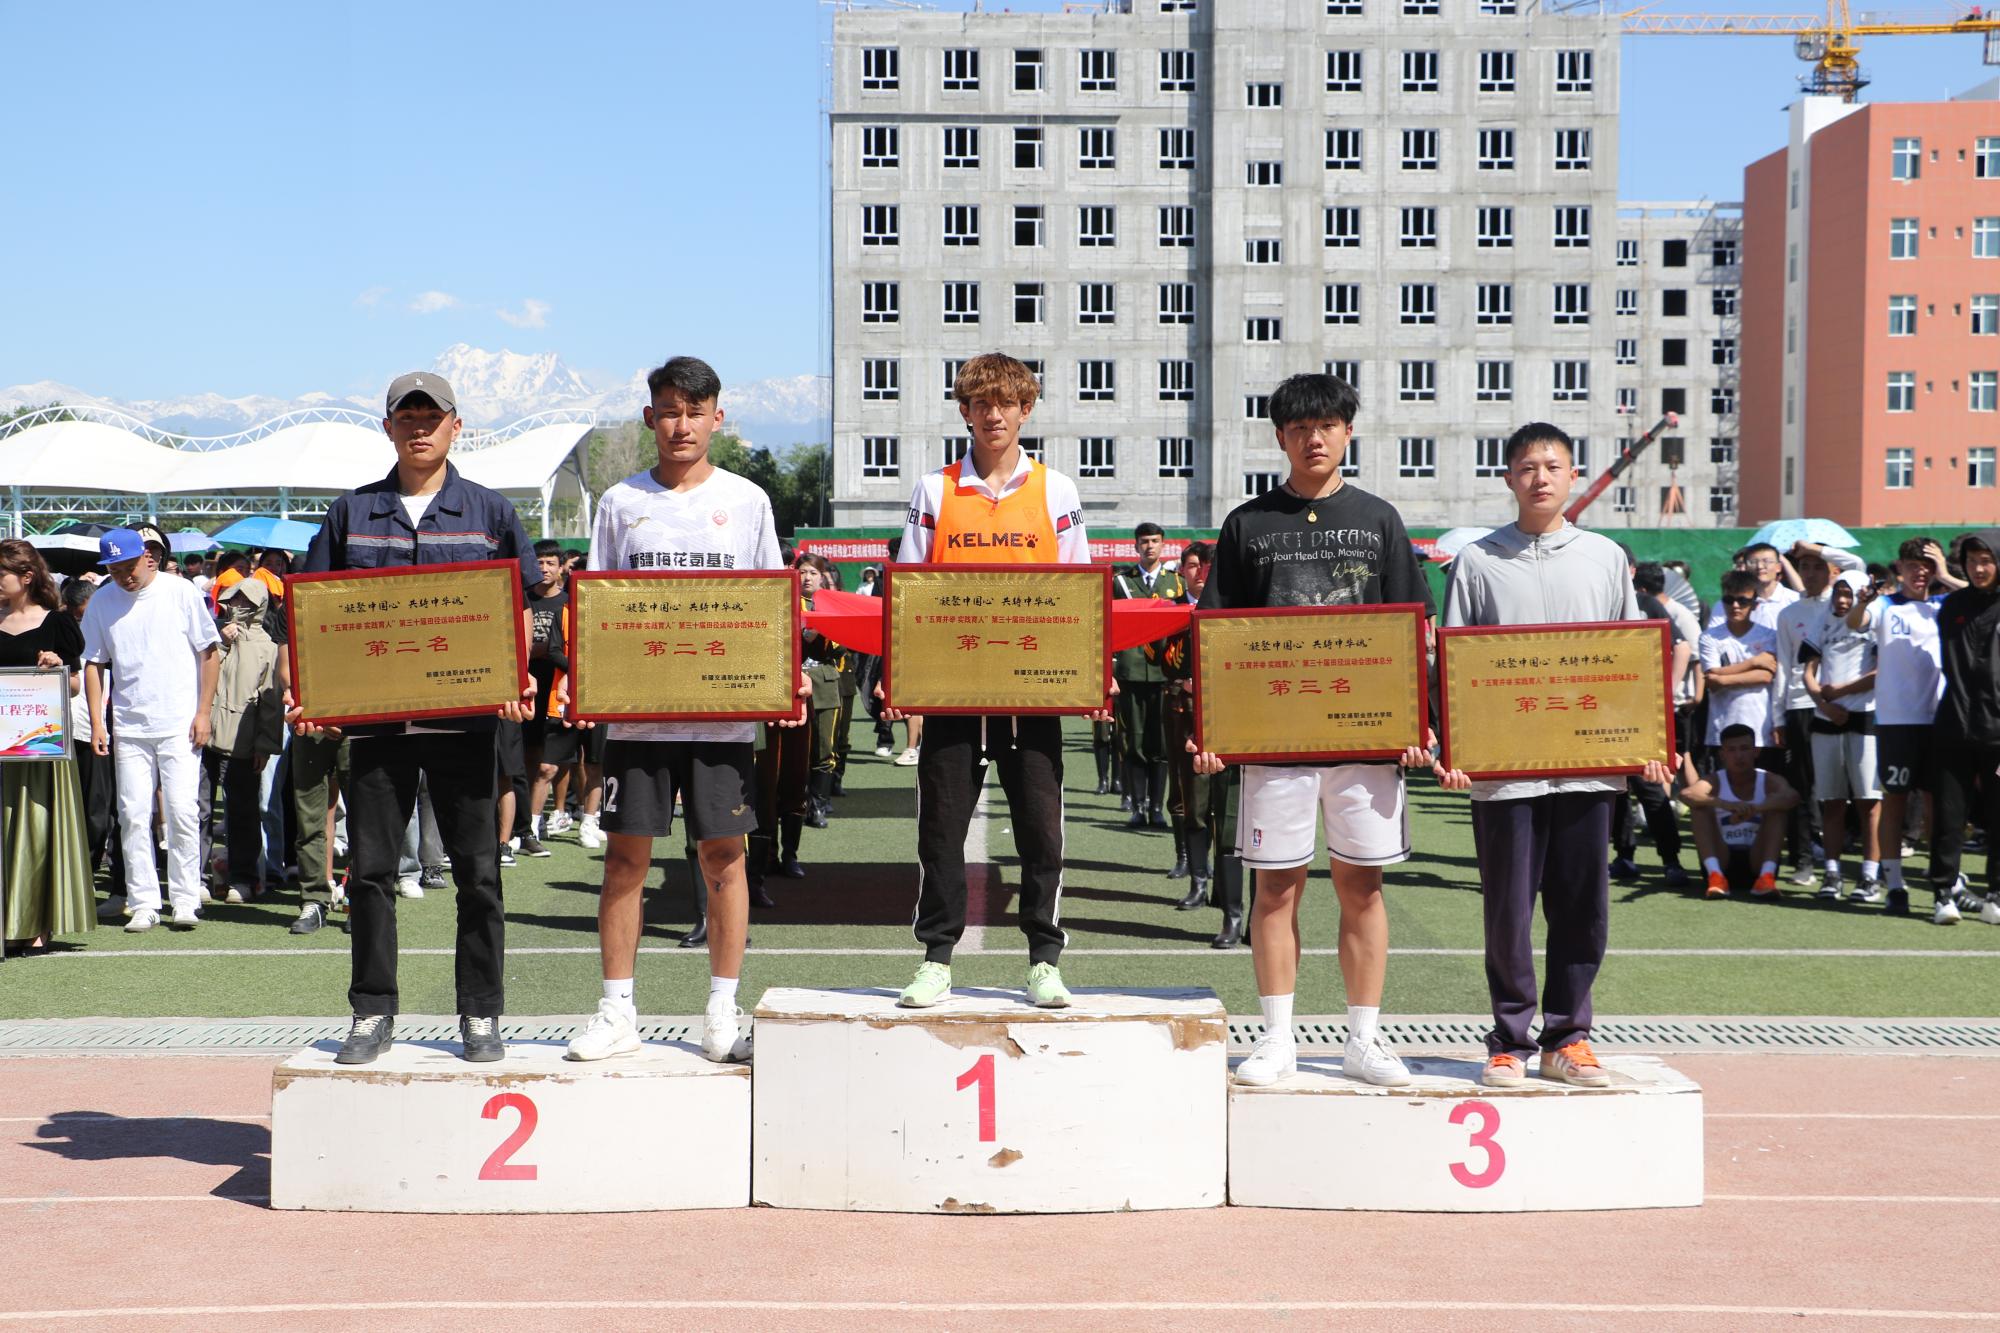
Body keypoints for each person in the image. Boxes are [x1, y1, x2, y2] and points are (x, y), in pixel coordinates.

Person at [1195, 372, 1435, 1089]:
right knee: (1275, 890)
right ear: (1280, 437)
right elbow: (1217, 636)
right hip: (1275, 744)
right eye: (1300, 428)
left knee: (1363, 889)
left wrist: (1414, 723)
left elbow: (1412, 630)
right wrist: (1214, 730)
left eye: (1327, 425)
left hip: (1365, 740)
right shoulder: (1248, 523)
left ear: (1348, 432)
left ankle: (1364, 1040)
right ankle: (1277, 1039)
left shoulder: (1379, 519)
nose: (1314, 439)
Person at [294, 371, 540, 1065]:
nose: (420, 428)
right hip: (377, 727)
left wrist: (517, 676)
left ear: (457, 426)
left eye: (432, 417)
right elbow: (315, 610)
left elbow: (518, 607)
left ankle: (481, 1013)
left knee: (479, 875)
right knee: (371, 873)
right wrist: (309, 694)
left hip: (467, 723)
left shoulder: (490, 510)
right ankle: (371, 1011)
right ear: (388, 427)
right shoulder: (350, 512)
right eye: (407, 417)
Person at [564, 356, 801, 1066]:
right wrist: (585, 682)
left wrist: (785, 680)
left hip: (720, 717)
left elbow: (771, 602)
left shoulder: (748, 500)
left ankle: (722, 1014)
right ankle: (617, 1012)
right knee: (624, 861)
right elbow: (597, 604)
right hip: (637, 717)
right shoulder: (619, 502)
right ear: (650, 418)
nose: (682, 425)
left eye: (695, 412)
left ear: (717, 419)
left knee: (724, 858)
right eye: (669, 411)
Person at [1435, 422, 1676, 1090]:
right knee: (1507, 910)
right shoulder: (1478, 561)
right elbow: (1454, 661)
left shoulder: (1604, 557)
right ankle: (1510, 1040)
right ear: (1508, 478)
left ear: (1573, 476)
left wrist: (1647, 744)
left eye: (1552, 465)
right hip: (1504, 770)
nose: (1539, 477)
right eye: (1526, 466)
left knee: (1581, 907)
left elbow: (1630, 658)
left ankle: (1568, 1037)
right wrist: (1456, 747)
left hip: (1588, 764)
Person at [886, 352, 1101, 1010]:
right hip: (953, 694)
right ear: (965, 412)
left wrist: (1092, 676)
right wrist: (903, 682)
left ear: (1025, 409)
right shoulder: (934, 489)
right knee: (940, 832)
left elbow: (1080, 592)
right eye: (981, 403)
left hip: (1032, 692)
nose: (994, 414)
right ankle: (936, 959)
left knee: (1041, 833)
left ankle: (1044, 960)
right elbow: (909, 590)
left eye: (1006, 402)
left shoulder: (1056, 490)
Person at [81, 528, 221, 933]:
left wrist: (203, 712)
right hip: (128, 723)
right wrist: (98, 722)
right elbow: (93, 663)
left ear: (147, 557)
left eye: (129, 566)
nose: (124, 576)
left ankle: (185, 898)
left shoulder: (180, 592)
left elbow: (209, 653)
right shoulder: (102, 601)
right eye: (114, 569)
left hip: (179, 721)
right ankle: (143, 901)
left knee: (182, 811)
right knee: (132, 814)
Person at [0, 539, 93, 950]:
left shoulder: (57, 623)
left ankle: (35, 921)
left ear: (26, 576)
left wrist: (57, 666)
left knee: (37, 829)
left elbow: (73, 686)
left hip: (38, 744)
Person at [1858, 538, 1953, 917]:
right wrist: (1862, 602)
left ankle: (1944, 882)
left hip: (1940, 720)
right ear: (1900, 568)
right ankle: (1895, 884)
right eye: (1914, 565)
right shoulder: (1885, 605)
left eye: (1927, 566)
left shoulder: (1945, 604)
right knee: (1894, 801)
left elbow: (1988, 597)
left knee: (1938, 806)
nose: (1921, 573)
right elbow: (1856, 621)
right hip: (1896, 721)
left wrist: (1946, 573)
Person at [1929, 529, 2000, 924]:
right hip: (1953, 727)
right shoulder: (1953, 605)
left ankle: (1996, 895)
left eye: (1986, 560)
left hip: (1998, 733)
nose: (1979, 568)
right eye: (1972, 561)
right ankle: (1943, 894)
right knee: (1949, 816)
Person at [199, 577, 284, 903]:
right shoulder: (214, 637)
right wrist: (220, 643)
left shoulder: (268, 647)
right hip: (204, 737)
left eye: (247, 601)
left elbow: (271, 701)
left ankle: (243, 879)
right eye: (235, 599)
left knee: (243, 813)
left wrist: (265, 745)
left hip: (243, 742)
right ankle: (197, 877)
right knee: (198, 810)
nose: (239, 606)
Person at [1800, 572, 1881, 901]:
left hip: (1865, 719)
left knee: (1869, 803)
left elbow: (1880, 672)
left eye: (1850, 594)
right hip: (1826, 721)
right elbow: (1808, 672)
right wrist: (1824, 704)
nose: (1843, 600)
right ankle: (1832, 874)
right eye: (1839, 593)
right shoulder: (1821, 622)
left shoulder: (1874, 621)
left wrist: (1842, 691)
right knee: (1831, 802)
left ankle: (1870, 876)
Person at [1613, 560, 1692, 887]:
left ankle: (1671, 860)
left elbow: (1682, 647)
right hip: (1603, 711)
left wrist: (1666, 693)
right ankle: (1624, 856)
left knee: (1650, 786)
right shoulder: (1594, 602)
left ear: (1630, 570)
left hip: (1642, 713)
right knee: (1615, 790)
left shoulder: (1646, 604)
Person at [1112, 523, 1184, 833]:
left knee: (1162, 746)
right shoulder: (1121, 583)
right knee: (1133, 742)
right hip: (1130, 673)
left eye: (1155, 541)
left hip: (1164, 675)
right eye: (1144, 541)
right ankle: (1138, 807)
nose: (1149, 546)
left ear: (1163, 545)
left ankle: (1157, 809)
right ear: (1136, 545)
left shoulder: (1176, 583)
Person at [1683, 724, 1800, 897]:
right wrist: (1726, 805)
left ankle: (1766, 878)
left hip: (1758, 860)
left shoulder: (1768, 780)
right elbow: (1687, 794)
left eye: (1744, 748)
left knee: (1778, 808)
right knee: (1699, 807)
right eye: (1731, 750)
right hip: (1722, 860)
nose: (1739, 756)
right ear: (1722, 755)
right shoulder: (1715, 780)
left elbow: (1792, 797)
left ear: (1756, 751)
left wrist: (1755, 809)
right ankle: (1715, 877)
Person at [61, 577, 122, 908]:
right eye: (80, 614)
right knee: (82, 808)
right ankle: (76, 875)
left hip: (103, 729)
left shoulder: (109, 629)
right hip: (70, 731)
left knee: (100, 809)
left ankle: (91, 873)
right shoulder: (61, 633)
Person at [1697, 570, 1780, 771]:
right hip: (1722, 729)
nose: (1735, 606)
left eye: (1742, 601)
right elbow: (1712, 679)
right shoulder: (1709, 637)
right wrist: (1754, 662)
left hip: (1760, 728)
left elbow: (1766, 676)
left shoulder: (1769, 636)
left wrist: (1721, 677)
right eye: (1729, 600)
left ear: (1755, 604)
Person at [519, 539, 569, 854]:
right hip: (527, 690)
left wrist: (549, 651)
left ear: (561, 567)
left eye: (550, 563)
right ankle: (521, 826)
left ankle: (539, 822)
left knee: (551, 764)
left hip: (558, 690)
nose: (544, 568)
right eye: (539, 562)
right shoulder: (524, 599)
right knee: (526, 761)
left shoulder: (569, 602)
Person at [1705, 542, 1798, 631]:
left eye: (1767, 561)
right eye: (1753, 562)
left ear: (1779, 567)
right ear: (1745, 567)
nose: (1760, 566)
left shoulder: (1795, 600)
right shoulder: (1730, 603)